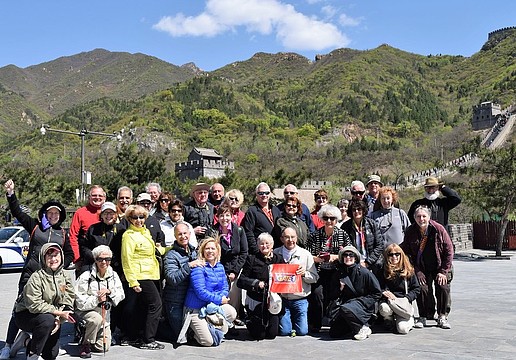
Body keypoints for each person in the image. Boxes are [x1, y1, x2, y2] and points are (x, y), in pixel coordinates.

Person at [1, 179, 74, 360]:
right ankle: (8, 344)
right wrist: (11, 194)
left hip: (51, 280)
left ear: (61, 215)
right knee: (19, 308)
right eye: (50, 212)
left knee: (48, 311)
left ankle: (33, 342)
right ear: (45, 213)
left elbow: (70, 254)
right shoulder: (35, 226)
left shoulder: (63, 233)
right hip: (30, 276)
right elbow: (17, 212)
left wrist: (58, 269)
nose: (53, 215)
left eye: (57, 213)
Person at [14, 243, 75, 360]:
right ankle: (33, 354)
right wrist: (57, 314)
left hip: (52, 315)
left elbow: (68, 299)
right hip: (25, 314)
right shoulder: (36, 277)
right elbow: (34, 305)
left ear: (61, 256)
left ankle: (25, 341)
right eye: (49, 256)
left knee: (51, 354)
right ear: (43, 258)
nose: (53, 259)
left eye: (56, 255)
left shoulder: (65, 276)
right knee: (47, 320)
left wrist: (59, 318)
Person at [401, 205, 454, 329]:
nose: (421, 219)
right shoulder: (410, 231)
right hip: (421, 267)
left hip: (439, 266)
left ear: (429, 217)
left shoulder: (438, 229)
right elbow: (407, 252)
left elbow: (449, 250)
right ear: (414, 218)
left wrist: (443, 271)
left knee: (443, 286)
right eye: (418, 216)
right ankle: (423, 315)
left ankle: (442, 316)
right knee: (421, 287)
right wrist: (416, 271)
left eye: (424, 216)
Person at [121, 205, 165, 350]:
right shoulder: (128, 236)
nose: (139, 220)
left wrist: (172, 247)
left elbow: (155, 251)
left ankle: (137, 336)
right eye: (135, 217)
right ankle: (148, 339)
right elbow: (126, 260)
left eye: (142, 217)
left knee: (143, 307)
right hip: (140, 275)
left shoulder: (145, 232)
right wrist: (133, 281)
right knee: (156, 305)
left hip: (151, 273)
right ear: (129, 219)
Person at [179, 238, 237, 347]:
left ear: (217, 251)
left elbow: (225, 287)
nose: (210, 251)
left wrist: (220, 298)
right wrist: (219, 299)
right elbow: (201, 292)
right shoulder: (198, 268)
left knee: (231, 312)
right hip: (195, 309)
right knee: (208, 342)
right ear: (202, 251)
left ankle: (209, 326)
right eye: (207, 249)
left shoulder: (220, 266)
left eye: (213, 248)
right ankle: (193, 333)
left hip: (211, 307)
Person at [306, 205, 351, 332]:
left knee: (334, 295)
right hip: (319, 270)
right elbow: (307, 254)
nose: (329, 221)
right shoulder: (315, 235)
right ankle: (316, 323)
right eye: (326, 218)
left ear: (336, 220)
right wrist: (317, 258)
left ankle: (333, 322)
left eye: (332, 218)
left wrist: (335, 257)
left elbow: (349, 253)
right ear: (322, 219)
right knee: (317, 294)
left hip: (336, 270)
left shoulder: (343, 234)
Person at [75, 245, 125, 358]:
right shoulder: (86, 276)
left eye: (107, 259)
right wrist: (96, 300)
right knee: (95, 319)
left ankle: (89, 335)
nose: (104, 262)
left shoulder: (114, 275)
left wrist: (110, 292)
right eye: (100, 259)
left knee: (103, 348)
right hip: (87, 313)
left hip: (105, 318)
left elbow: (121, 294)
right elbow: (79, 301)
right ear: (95, 260)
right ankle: (85, 344)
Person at [327, 246, 382, 340]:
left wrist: (364, 302)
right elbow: (332, 295)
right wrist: (340, 288)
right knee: (334, 333)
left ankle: (362, 327)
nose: (348, 257)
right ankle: (353, 327)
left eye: (351, 255)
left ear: (355, 257)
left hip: (362, 304)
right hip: (345, 305)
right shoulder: (339, 274)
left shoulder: (365, 273)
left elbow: (377, 293)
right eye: (345, 255)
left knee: (346, 309)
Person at [237, 233, 285, 340]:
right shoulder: (252, 259)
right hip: (257, 299)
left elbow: (287, 276)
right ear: (258, 246)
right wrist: (256, 283)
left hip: (273, 300)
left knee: (272, 334)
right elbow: (241, 281)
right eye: (262, 244)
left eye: (267, 243)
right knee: (259, 335)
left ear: (272, 245)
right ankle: (250, 321)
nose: (265, 246)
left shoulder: (279, 259)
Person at [273, 227, 319, 337]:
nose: (290, 240)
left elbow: (315, 278)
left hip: (300, 299)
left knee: (302, 332)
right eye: (287, 237)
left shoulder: (305, 254)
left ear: (297, 238)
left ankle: (295, 321)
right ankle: (288, 322)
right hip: (283, 299)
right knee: (284, 332)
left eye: (292, 237)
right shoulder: (275, 253)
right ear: (281, 239)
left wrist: (304, 274)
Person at [161, 223, 202, 343]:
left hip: (190, 300)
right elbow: (172, 279)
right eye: (179, 234)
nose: (183, 236)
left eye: (185, 233)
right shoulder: (170, 255)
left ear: (190, 234)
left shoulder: (195, 252)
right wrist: (189, 266)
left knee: (191, 334)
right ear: (175, 236)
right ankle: (154, 327)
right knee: (180, 336)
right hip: (175, 300)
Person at [213, 205, 248, 322]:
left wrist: (235, 271)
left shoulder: (239, 231)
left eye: (227, 215)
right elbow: (211, 253)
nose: (224, 218)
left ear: (232, 216)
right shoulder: (213, 231)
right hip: (218, 271)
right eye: (221, 215)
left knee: (234, 297)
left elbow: (244, 252)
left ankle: (231, 322)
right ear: (217, 217)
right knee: (220, 298)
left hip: (235, 271)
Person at [378, 244, 420, 334]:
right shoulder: (382, 270)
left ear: (401, 255)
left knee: (402, 329)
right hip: (389, 302)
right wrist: (384, 292)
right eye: (391, 254)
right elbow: (377, 287)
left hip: (403, 303)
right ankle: (388, 320)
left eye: (397, 254)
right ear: (387, 256)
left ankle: (409, 319)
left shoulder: (408, 270)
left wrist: (407, 298)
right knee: (384, 308)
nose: (394, 257)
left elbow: (416, 288)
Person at [340, 199, 385, 276]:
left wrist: (367, 262)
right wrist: (355, 262)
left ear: (363, 211)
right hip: (353, 263)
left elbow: (379, 245)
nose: (356, 211)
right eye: (354, 210)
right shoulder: (345, 226)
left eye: (359, 209)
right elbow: (343, 246)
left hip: (371, 263)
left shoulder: (372, 224)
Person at [79, 202, 120, 274]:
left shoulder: (121, 229)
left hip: (115, 265)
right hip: (95, 263)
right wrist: (96, 258)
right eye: (105, 213)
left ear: (115, 215)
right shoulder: (93, 228)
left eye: (111, 213)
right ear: (101, 215)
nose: (108, 216)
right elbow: (85, 247)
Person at [69, 185, 107, 263]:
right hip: (86, 259)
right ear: (89, 197)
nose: (97, 197)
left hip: (107, 259)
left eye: (100, 195)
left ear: (104, 198)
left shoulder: (110, 213)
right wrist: (77, 258)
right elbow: (73, 237)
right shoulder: (80, 213)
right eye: (94, 195)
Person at [243, 182, 281, 255]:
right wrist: (257, 251)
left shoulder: (275, 210)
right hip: (260, 252)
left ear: (270, 194)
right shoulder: (252, 211)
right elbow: (249, 233)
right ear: (256, 195)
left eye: (266, 193)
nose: (264, 195)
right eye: (261, 193)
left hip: (276, 251)